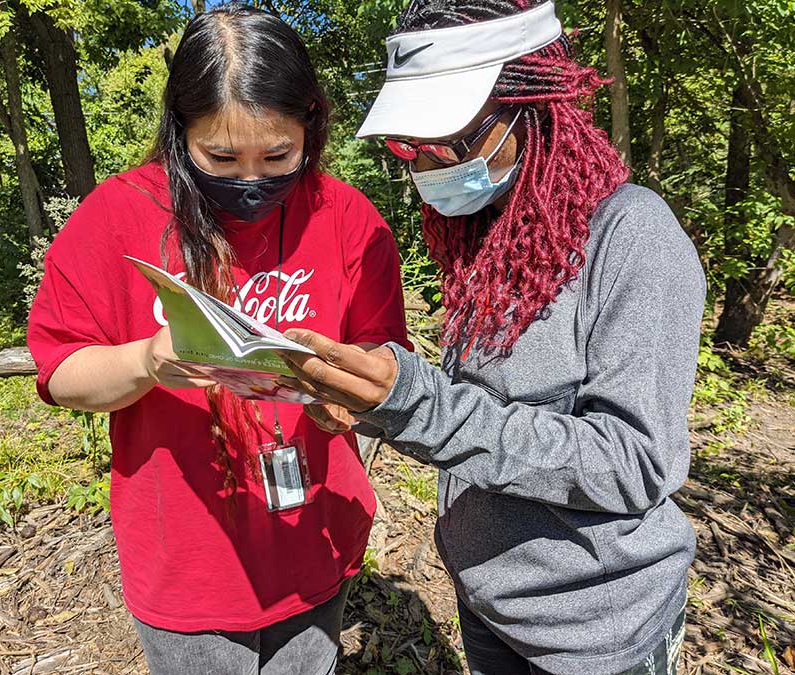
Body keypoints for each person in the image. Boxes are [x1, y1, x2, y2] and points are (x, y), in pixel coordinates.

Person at [279, 0, 706, 673]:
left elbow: (633, 463)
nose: (426, 163)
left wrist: (419, 406)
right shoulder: (489, 231)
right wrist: (376, 405)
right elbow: (488, 410)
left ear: (533, 109)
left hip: (592, 633)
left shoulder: (634, 238)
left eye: (451, 139)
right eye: (409, 147)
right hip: (487, 603)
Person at [26, 5, 410, 673]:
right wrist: (146, 359)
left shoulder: (349, 218)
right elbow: (60, 371)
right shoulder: (119, 214)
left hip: (313, 539)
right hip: (188, 565)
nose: (250, 180)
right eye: (221, 156)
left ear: (310, 127)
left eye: (278, 155)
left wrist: (342, 398)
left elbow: (384, 364)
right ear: (180, 131)